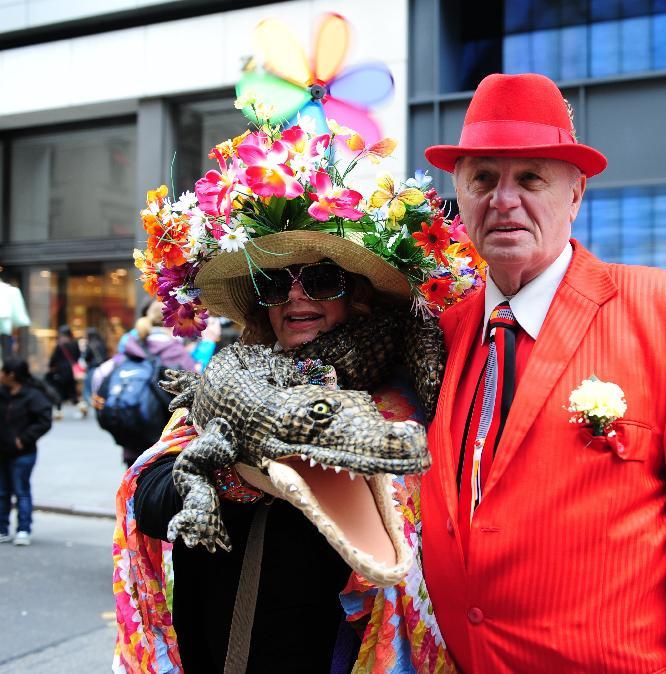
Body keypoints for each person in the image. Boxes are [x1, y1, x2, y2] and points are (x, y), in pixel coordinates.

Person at [418, 73, 666, 672]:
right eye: (483, 178)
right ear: (460, 189)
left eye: (530, 178)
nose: (502, 200)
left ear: (576, 193)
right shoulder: (445, 329)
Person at [114, 117, 461, 673]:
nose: (298, 297)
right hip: (224, 651)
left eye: (322, 281)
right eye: (277, 284)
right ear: (262, 304)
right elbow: (150, 499)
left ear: (360, 298)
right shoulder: (228, 375)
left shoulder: (402, 404)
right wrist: (238, 471)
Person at [94, 302, 198, 467]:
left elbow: (100, 376)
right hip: (166, 450)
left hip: (132, 442)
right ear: (175, 321)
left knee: (133, 488)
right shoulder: (176, 353)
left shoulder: (131, 347)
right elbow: (198, 394)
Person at [0, 357, 53, 546]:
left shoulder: (32, 396)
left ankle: (23, 528)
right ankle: (2, 529)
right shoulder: (2, 393)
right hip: (3, 451)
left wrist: (24, 440)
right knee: (2, 491)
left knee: (21, 490)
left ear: (11, 375)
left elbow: (44, 420)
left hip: (23, 452)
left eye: (2, 372)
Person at [46, 324, 81, 420]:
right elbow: (78, 356)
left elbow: (53, 358)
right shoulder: (75, 343)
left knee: (59, 391)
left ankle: (58, 411)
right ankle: (81, 408)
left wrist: (51, 367)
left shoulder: (60, 345)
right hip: (71, 371)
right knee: (72, 391)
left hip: (60, 372)